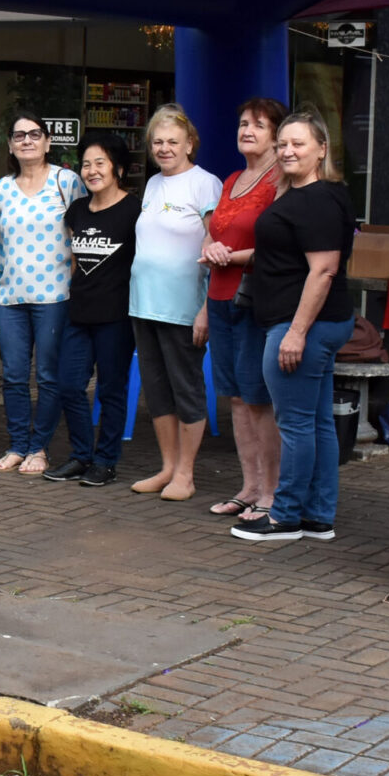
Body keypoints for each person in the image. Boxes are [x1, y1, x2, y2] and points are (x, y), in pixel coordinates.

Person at [230, 111, 358, 543]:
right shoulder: (308, 193)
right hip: (307, 322)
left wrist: (297, 332)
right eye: (282, 143)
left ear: (322, 149)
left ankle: (285, 516)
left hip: (303, 325)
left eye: (297, 144)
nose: (287, 151)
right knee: (317, 422)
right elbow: (284, 257)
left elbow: (323, 271)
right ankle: (318, 516)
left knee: (296, 424)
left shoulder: (318, 198)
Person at [126, 103, 222, 501]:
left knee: (186, 387)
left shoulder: (205, 184)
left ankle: (186, 473)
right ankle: (167, 467)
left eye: (172, 142)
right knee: (157, 388)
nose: (164, 148)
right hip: (144, 304)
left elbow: (217, 249)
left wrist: (206, 309)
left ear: (189, 144)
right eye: (158, 142)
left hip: (184, 307)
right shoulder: (152, 185)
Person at [199, 97, 288, 521]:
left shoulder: (280, 182)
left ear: (277, 135)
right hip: (218, 299)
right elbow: (213, 233)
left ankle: (271, 492)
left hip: (254, 299)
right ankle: (248, 486)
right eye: (242, 123)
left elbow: (279, 247)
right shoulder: (232, 178)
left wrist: (230, 257)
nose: (247, 130)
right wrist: (210, 247)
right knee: (234, 399)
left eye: (258, 124)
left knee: (258, 399)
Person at [0, 112, 83, 475]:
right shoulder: (2, 188)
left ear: (47, 142)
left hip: (55, 296)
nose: (27, 140)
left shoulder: (66, 181)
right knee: (12, 374)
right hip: (11, 296)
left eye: (34, 135)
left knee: (47, 375)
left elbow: (81, 236)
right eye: (19, 136)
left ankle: (39, 447)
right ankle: (16, 445)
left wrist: (75, 285)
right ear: (11, 145)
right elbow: (1, 240)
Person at [47, 133, 139, 485]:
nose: (92, 170)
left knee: (111, 390)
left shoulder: (134, 211)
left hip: (116, 317)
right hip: (79, 313)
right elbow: (74, 258)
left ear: (117, 167)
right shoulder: (78, 210)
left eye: (100, 163)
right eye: (86, 163)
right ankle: (80, 456)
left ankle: (106, 461)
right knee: (70, 386)